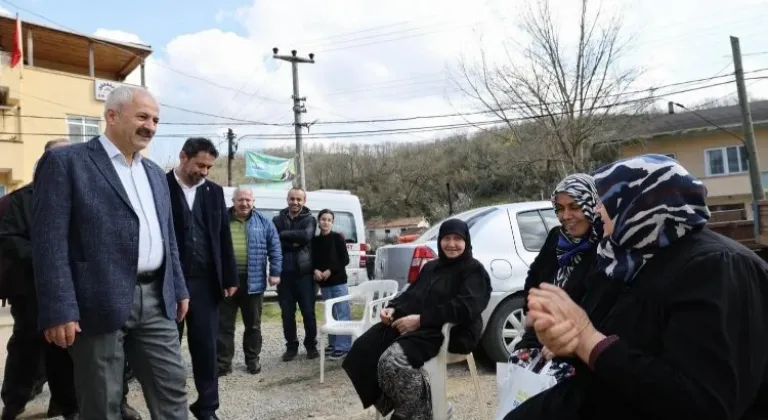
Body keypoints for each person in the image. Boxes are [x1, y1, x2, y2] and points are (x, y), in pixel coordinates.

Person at [505, 154, 768, 419]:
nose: (596, 211)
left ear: (641, 204)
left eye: (603, 202)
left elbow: (703, 401)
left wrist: (588, 341)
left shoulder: (718, 267)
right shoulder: (627, 259)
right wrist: (567, 341)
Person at [32, 85, 190, 420]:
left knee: (173, 389)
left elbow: (168, 237)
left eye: (156, 120)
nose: (151, 126)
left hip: (156, 298)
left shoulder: (154, 175)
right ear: (112, 116)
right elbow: (49, 243)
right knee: (102, 400)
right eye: (143, 116)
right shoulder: (65, 162)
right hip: (95, 301)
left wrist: (179, 287)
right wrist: (59, 308)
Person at [343, 219, 491, 420]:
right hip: (423, 326)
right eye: (447, 238)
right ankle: (417, 406)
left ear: (466, 242)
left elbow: (466, 307)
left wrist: (421, 320)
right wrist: (393, 308)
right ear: (440, 241)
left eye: (457, 238)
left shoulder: (473, 270)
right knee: (363, 349)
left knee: (393, 360)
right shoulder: (431, 267)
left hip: (454, 330)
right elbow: (413, 294)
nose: (451, 244)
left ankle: (416, 412)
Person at [167, 137, 238, 420]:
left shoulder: (213, 192)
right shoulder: (159, 186)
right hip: (169, 282)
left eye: (209, 167)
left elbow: (223, 236)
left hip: (206, 284)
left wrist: (229, 276)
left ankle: (207, 407)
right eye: (200, 165)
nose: (205, 172)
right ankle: (171, 406)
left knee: (206, 347)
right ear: (183, 157)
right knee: (168, 349)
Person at [510, 173, 601, 382]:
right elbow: (533, 280)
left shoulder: (604, 248)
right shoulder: (556, 238)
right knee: (517, 373)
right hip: (539, 336)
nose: (565, 215)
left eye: (574, 207)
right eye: (559, 209)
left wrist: (564, 341)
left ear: (591, 204)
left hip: (577, 346)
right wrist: (534, 314)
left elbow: (600, 306)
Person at [217, 186, 282, 376]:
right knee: (224, 326)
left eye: (248, 200)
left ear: (253, 201)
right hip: (227, 282)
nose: (244, 203)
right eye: (240, 200)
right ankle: (223, 363)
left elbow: (275, 248)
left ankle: (252, 360)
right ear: (234, 201)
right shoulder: (221, 220)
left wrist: (275, 272)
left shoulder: (264, 223)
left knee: (253, 325)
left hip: (253, 282)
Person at [273, 188, 319, 361]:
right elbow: (274, 240)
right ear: (287, 199)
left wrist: (284, 234)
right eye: (292, 199)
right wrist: (294, 241)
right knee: (287, 313)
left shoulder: (310, 219)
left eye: (299, 199)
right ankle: (291, 347)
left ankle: (311, 346)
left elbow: (307, 236)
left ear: (304, 201)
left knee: (308, 312)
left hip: (305, 275)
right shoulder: (277, 219)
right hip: (284, 275)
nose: (295, 202)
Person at [311, 209, 351, 360]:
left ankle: (344, 346)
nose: (325, 222)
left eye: (329, 220)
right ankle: (333, 344)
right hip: (324, 284)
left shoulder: (337, 238)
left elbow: (345, 259)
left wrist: (329, 271)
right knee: (331, 314)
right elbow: (312, 261)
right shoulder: (314, 241)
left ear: (332, 222)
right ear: (318, 221)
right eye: (323, 219)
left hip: (338, 281)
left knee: (342, 313)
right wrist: (315, 270)